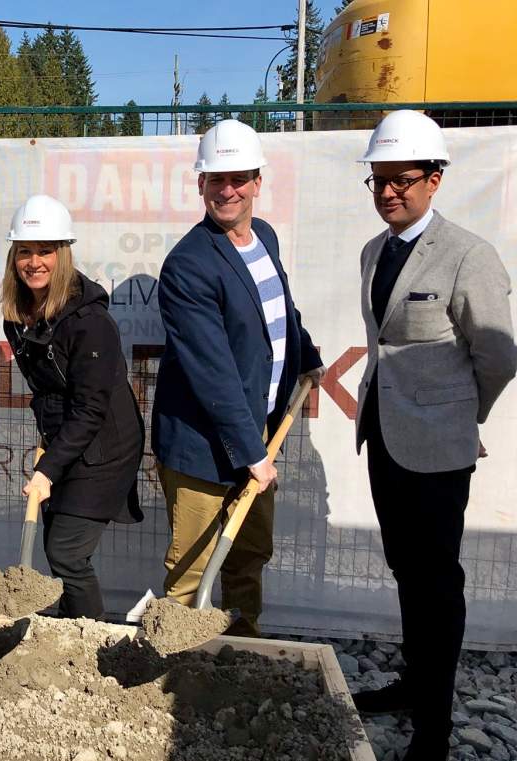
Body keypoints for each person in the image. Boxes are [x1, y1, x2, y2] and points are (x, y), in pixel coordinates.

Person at [350, 110, 517, 761]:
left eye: (403, 178)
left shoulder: (468, 256)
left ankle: (434, 729)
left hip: (437, 450)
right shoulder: (375, 251)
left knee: (435, 584)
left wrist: (461, 416)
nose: (389, 191)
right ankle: (415, 683)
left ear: (435, 178)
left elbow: (497, 356)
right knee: (406, 571)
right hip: (385, 439)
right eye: (379, 180)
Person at [153, 119, 324, 637]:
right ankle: (173, 667)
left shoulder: (264, 237)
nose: (227, 190)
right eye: (215, 180)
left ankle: (242, 640)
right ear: (200, 184)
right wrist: (252, 454)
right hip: (206, 447)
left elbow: (282, 312)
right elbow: (213, 372)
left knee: (248, 552)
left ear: (256, 182)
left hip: (258, 434)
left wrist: (307, 355)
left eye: (238, 179)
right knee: (192, 570)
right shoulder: (187, 266)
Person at [0, 194, 144, 620]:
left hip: (104, 449)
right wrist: (51, 448)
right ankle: (67, 629)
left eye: (46, 251)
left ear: (63, 254)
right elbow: (48, 390)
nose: (34, 261)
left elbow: (90, 409)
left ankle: (91, 643)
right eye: (25, 251)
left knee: (66, 553)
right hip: (64, 441)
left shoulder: (90, 323)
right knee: (55, 545)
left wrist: (47, 469)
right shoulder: (18, 315)